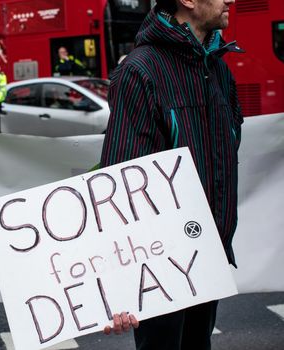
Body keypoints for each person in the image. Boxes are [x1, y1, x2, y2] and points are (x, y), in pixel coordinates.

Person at [100, 0, 243, 349]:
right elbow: (122, 184)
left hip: (207, 254)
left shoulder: (218, 69)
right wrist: (122, 282)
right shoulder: (140, 71)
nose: (230, 0)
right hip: (162, 264)